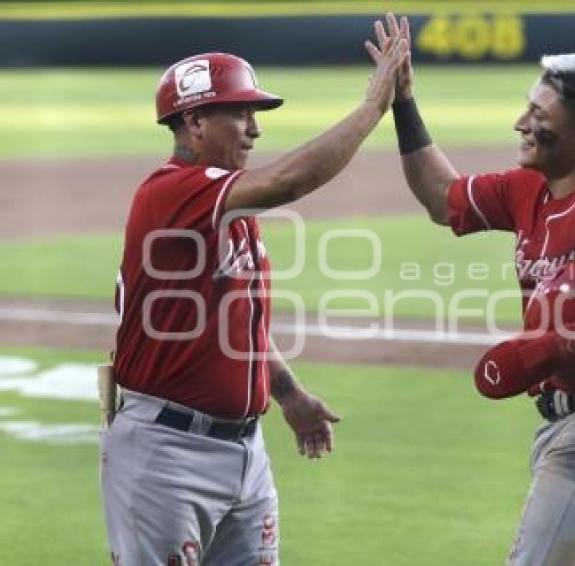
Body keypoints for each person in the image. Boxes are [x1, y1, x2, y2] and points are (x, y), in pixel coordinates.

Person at [371, 14, 575, 566]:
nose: (520, 122)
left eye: (538, 116)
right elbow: (440, 196)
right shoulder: (530, 190)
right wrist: (402, 101)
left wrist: (555, 345)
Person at [102, 40, 407, 566]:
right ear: (195, 121)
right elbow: (290, 180)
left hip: (245, 452)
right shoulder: (172, 192)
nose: (256, 128)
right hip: (166, 453)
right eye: (240, 113)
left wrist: (287, 393)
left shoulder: (227, 209)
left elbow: (236, 325)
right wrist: (373, 106)